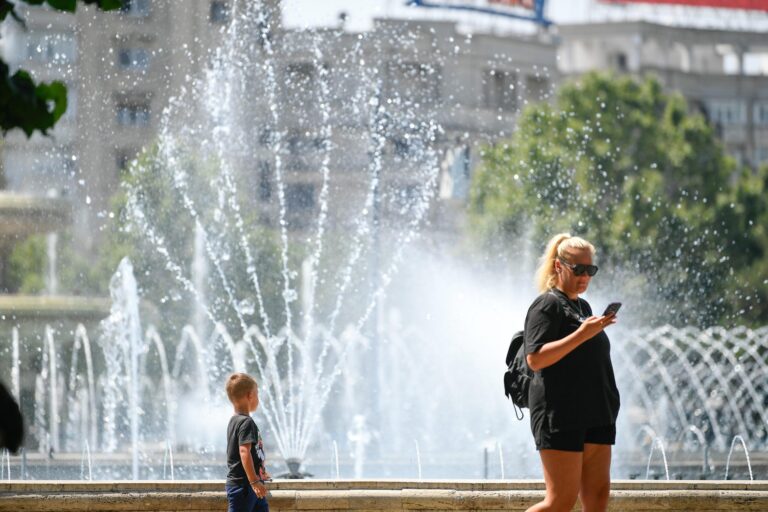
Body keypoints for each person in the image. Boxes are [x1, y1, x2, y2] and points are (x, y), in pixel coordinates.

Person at [523, 233, 620, 512]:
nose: (585, 276)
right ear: (558, 266)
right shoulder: (547, 304)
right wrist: (582, 334)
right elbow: (535, 358)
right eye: (578, 269)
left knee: (597, 497)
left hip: (596, 412)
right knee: (560, 502)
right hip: (561, 414)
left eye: (590, 270)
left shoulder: (583, 306)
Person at [225, 373, 270, 512]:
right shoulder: (246, 422)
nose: (258, 399)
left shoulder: (234, 420)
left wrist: (260, 472)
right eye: (257, 394)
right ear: (250, 395)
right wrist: (254, 481)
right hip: (244, 486)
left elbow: (250, 453)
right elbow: (244, 452)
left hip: (250, 484)